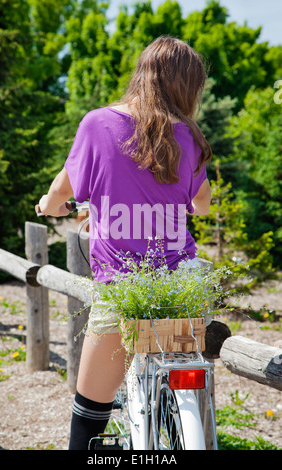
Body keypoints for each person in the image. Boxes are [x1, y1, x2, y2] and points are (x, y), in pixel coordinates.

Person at [35, 36, 212, 450]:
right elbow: (202, 206)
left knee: (89, 411)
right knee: (177, 394)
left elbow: (60, 193)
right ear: (187, 87)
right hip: (181, 286)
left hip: (125, 290)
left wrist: (49, 205)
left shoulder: (97, 124)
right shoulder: (189, 137)